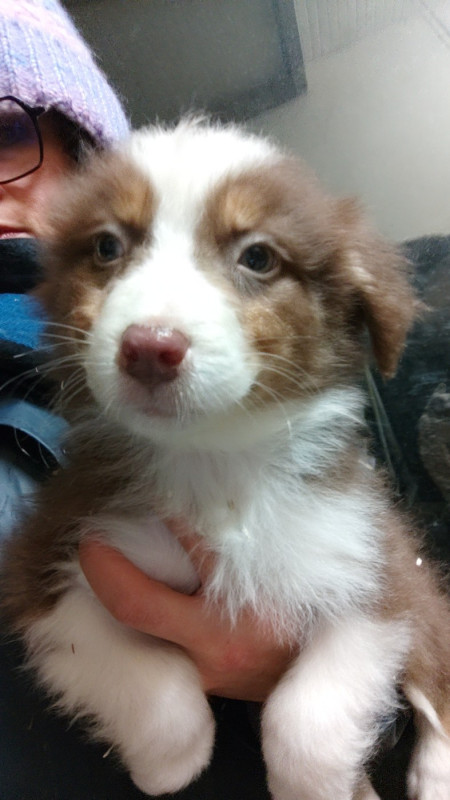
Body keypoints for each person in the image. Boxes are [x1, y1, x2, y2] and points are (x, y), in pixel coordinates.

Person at [0, 4, 293, 798]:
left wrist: (314, 675)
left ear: (92, 161)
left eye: (7, 133)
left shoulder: (257, 378)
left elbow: (398, 610)